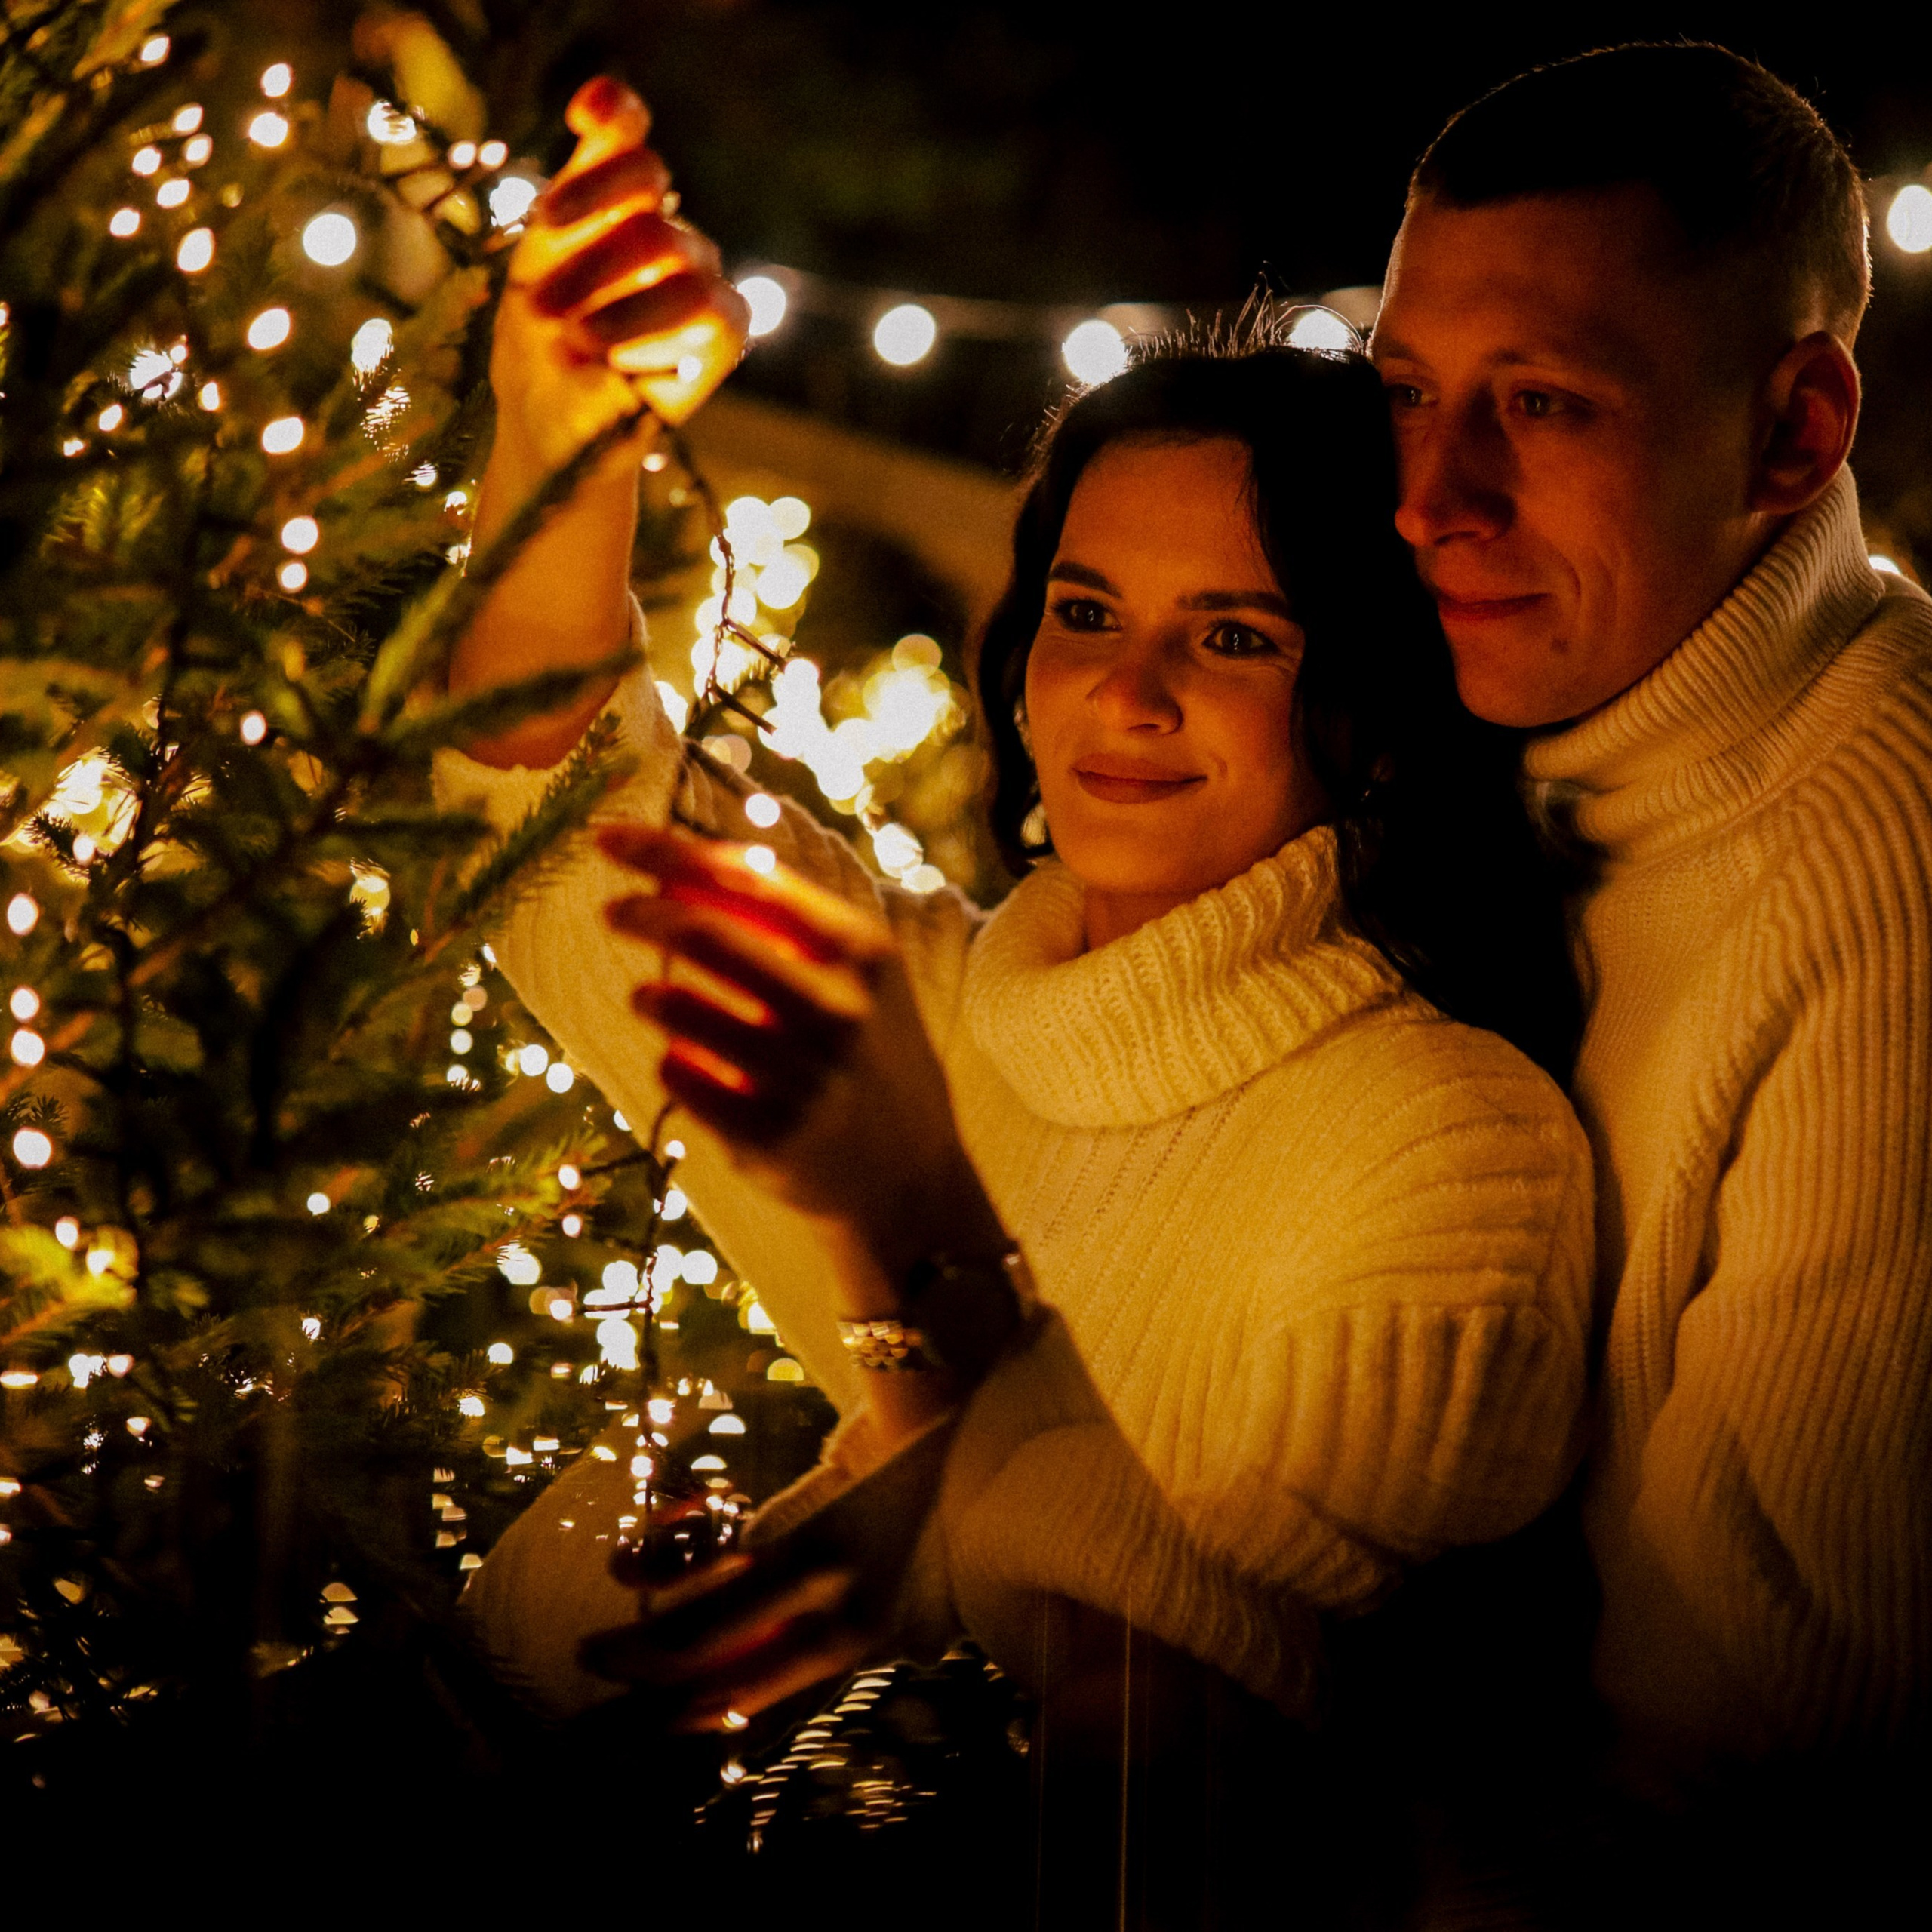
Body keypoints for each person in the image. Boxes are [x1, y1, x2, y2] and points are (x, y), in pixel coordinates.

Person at [434, 75, 1594, 1890]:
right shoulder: (954, 993)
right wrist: (557, 433)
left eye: (1231, 634)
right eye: (1082, 607)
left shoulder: (1441, 1140)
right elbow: (542, 812)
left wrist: (903, 1263)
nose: (1124, 695)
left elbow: (1205, 1642)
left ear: (1367, 706)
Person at [1371, 38, 1932, 1866]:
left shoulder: (1885, 863)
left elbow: (1772, 1742)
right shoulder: (1491, 744)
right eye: (1404, 392)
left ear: (1794, 429)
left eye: (1536, 406)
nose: (1426, 496)